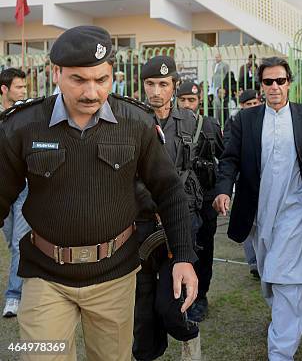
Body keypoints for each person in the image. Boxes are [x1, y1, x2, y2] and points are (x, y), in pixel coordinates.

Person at [0, 25, 197, 361]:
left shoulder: (135, 122)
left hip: (114, 277)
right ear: (56, 73)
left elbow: (169, 191)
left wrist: (183, 257)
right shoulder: (22, 125)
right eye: (79, 79)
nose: (92, 92)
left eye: (102, 79)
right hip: (44, 276)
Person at [213, 56, 302, 361]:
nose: (274, 87)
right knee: (270, 276)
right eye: (268, 82)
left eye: (280, 81)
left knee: (288, 279)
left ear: (289, 83)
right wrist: (224, 190)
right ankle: (284, 319)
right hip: (259, 213)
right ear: (261, 86)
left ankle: (281, 352)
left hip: (296, 208)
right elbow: (229, 160)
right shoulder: (245, 120)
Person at [133, 56, 203, 361]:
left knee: (170, 306)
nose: (156, 91)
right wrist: (154, 203)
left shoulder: (193, 123)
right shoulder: (130, 120)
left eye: (163, 84)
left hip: (179, 226)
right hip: (140, 224)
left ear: (174, 86)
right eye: (150, 83)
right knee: (142, 310)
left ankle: (189, 338)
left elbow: (206, 169)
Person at [176, 80, 225, 322]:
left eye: (191, 100)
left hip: (205, 200)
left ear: (199, 101)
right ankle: (179, 296)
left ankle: (200, 296)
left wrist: (220, 192)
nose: (187, 105)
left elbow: (224, 160)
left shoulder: (210, 125)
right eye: (183, 100)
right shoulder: (169, 125)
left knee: (204, 249)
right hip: (178, 200)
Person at [220, 88, 262, 278]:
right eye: (248, 105)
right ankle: (254, 262)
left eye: (255, 103)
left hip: (267, 184)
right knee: (249, 224)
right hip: (245, 182)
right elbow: (229, 153)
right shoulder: (235, 122)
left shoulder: (268, 120)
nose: (252, 107)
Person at [0, 67, 30, 318]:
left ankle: (14, 296)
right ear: (4, 89)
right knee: (11, 242)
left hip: (24, 188)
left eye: (24, 86)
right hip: (2, 190)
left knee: (20, 243)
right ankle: (26, 277)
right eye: (19, 87)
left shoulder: (27, 114)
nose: (24, 91)